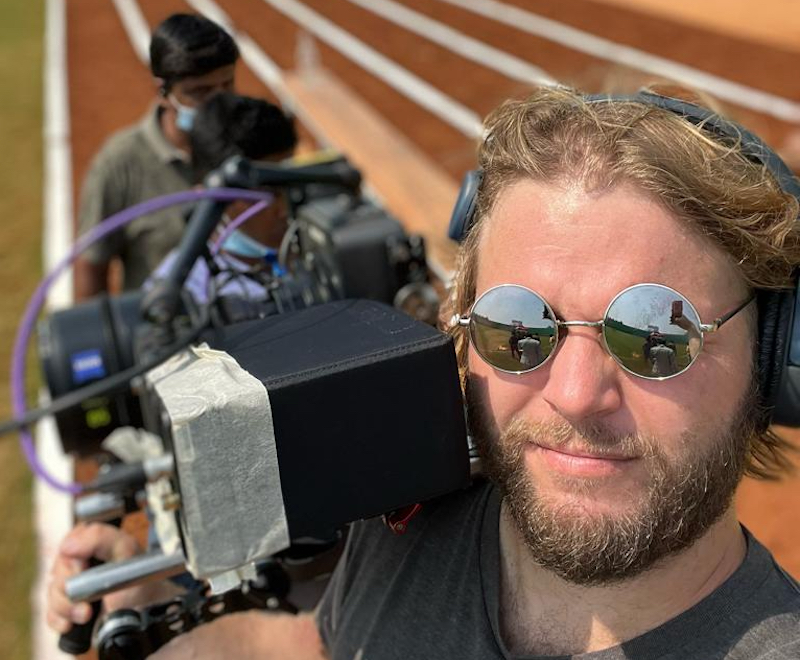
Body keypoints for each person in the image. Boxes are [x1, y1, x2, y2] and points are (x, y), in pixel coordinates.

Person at [57, 86, 800, 658]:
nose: (576, 394)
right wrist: (151, 603)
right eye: (518, 326)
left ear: (771, 357)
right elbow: (321, 643)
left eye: (653, 335)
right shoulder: (411, 519)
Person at [73, 13, 239, 300]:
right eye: (200, 91)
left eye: (227, 86)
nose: (219, 103)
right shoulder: (119, 163)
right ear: (162, 91)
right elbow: (91, 267)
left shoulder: (249, 140)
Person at [149, 91, 298, 304]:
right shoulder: (176, 296)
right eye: (264, 195)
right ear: (206, 197)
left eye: (292, 185)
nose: (285, 209)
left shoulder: (324, 251)